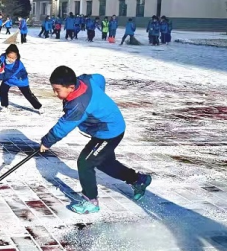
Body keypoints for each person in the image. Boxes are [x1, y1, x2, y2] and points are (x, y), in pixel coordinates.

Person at [40, 66, 152, 214]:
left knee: (85, 162)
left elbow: (64, 126)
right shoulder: (85, 80)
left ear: (71, 87)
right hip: (109, 127)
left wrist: (47, 141)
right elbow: (99, 78)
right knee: (105, 163)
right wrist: (98, 103)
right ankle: (138, 180)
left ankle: (90, 201)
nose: (55, 93)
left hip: (109, 132)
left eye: (57, 90)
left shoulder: (79, 106)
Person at [0, 44, 42, 114]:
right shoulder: (3, 56)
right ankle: (5, 106)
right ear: (6, 54)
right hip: (9, 79)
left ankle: (39, 107)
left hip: (20, 79)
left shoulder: (17, 65)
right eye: (9, 57)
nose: (10, 59)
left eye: (13, 58)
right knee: (3, 90)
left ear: (17, 57)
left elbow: (6, 75)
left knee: (28, 94)